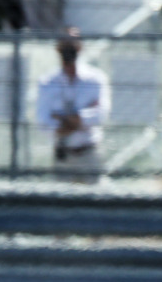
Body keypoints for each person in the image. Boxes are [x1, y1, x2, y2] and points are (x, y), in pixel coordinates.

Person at [35, 28, 111, 185]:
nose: (69, 48)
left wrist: (65, 120)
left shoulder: (95, 79)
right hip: (63, 154)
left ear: (80, 46)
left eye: (73, 43)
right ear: (58, 48)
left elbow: (100, 114)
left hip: (89, 153)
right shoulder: (47, 82)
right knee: (61, 205)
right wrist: (80, 121)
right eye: (65, 43)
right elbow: (43, 121)